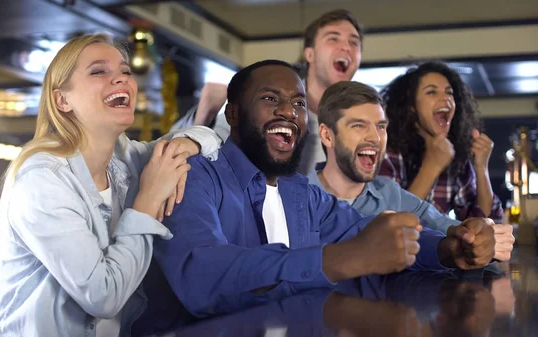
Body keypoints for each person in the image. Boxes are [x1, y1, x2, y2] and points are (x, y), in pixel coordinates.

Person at [147, 60, 496, 319]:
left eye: (299, 104)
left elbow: (367, 234)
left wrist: (451, 250)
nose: (288, 111)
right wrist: (337, 259)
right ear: (234, 114)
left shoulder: (302, 194)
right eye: (271, 99)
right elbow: (200, 275)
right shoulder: (194, 174)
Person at [0, 34, 221, 337]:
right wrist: (148, 199)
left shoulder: (126, 158)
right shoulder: (43, 178)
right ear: (61, 99)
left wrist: (186, 142)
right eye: (99, 71)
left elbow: (209, 138)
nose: (120, 80)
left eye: (125, 72)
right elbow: (102, 296)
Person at [308, 81, 515, 261]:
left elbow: (443, 225)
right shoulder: (294, 196)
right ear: (327, 136)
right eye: (359, 126)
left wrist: (478, 235)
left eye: (380, 126)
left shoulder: (389, 192)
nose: (375, 137)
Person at [171, 9, 363, 174]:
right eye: (333, 38)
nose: (346, 47)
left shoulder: (361, 121)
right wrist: (204, 117)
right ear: (309, 54)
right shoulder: (266, 99)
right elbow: (194, 146)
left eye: (354, 43)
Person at [379, 61, 503, 222]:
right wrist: (432, 166)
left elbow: (484, 222)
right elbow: (388, 224)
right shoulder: (388, 152)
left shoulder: (457, 158)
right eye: (431, 92)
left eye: (449, 93)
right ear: (411, 107)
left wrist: (481, 167)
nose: (445, 98)